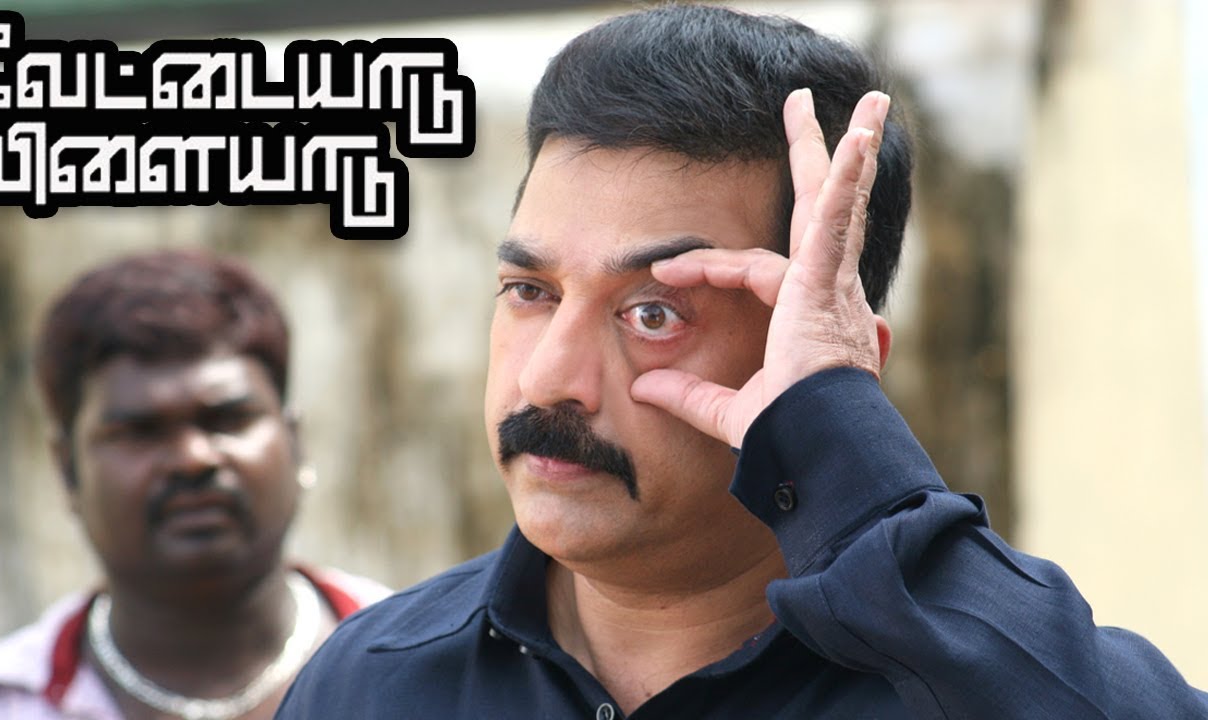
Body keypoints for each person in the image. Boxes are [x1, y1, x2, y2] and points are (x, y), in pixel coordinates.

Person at [273, 5, 1208, 718]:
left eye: (653, 313)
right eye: (531, 291)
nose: (548, 379)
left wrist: (847, 461)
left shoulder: (948, 683)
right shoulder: (376, 680)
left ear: (830, 373)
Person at [0, 250, 391, 720]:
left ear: (294, 441)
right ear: (68, 469)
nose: (193, 459)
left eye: (227, 418)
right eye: (140, 431)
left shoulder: (424, 659)